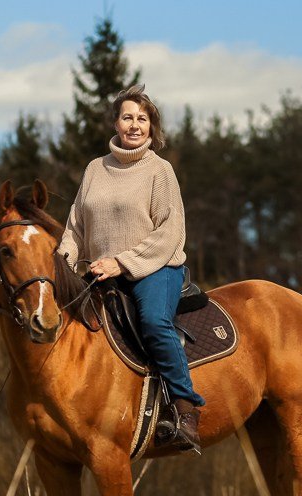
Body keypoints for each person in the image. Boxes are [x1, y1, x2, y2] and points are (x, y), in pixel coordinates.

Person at [56, 84, 205, 454]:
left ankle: (185, 409)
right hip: (100, 272)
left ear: (151, 127)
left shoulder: (160, 171)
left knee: (154, 322)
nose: (135, 125)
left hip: (154, 268)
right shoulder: (95, 169)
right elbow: (76, 228)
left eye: (142, 119)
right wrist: (62, 265)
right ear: (116, 123)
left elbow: (170, 232)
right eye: (127, 117)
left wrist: (121, 262)